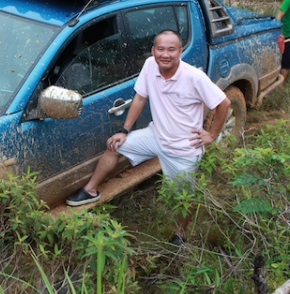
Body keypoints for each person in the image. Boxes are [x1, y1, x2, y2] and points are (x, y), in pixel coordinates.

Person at [65, 30, 231, 245]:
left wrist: (212, 134)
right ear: (153, 51)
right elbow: (140, 98)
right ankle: (90, 190)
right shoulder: (150, 65)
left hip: (183, 148)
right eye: (160, 49)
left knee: (182, 197)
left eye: (171, 49)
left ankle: (180, 234)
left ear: (180, 51)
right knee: (114, 145)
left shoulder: (194, 77)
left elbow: (223, 103)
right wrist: (124, 131)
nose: (165, 54)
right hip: (155, 135)